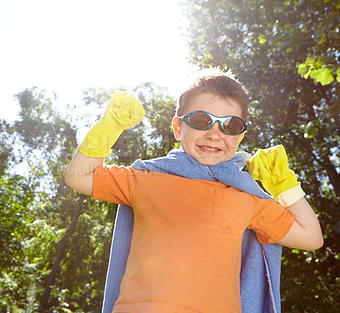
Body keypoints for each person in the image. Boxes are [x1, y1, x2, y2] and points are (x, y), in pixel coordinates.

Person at [65, 68, 323, 313]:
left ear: (240, 137)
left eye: (230, 125)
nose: (215, 134)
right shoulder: (146, 179)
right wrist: (110, 126)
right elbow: (78, 177)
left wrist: (285, 186)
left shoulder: (245, 198)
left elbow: (311, 238)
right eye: (202, 120)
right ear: (178, 127)